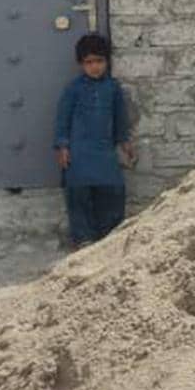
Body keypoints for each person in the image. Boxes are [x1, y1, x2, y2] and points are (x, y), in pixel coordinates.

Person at [53, 33, 134, 249]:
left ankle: (110, 236)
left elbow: (120, 117)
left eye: (99, 61)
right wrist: (62, 145)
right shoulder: (74, 89)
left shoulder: (113, 88)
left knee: (113, 190)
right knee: (79, 194)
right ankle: (83, 238)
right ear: (81, 64)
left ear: (107, 61)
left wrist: (124, 141)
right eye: (89, 62)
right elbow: (63, 118)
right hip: (78, 153)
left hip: (104, 151)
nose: (95, 67)